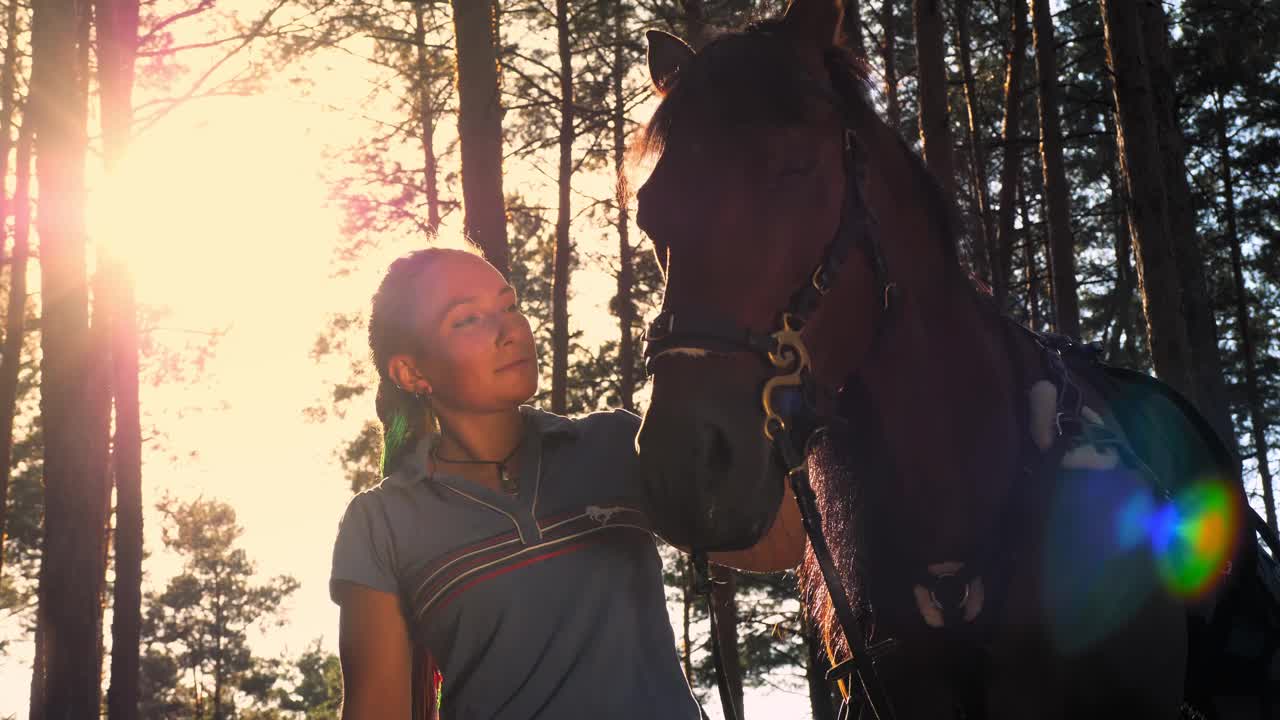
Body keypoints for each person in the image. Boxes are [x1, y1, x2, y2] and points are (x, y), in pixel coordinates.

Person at [329, 243, 804, 719]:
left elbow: (779, 542)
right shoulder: (380, 523)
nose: (509, 329)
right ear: (411, 372)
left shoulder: (616, 444)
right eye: (467, 319)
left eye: (509, 306)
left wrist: (780, 385)